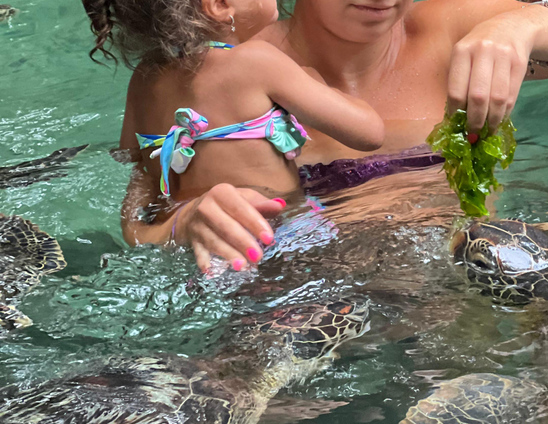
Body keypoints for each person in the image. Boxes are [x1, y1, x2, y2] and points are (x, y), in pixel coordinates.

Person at [115, 0, 548, 271]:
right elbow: (143, 212)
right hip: (317, 322)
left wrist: (520, 27)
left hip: (473, 292)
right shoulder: (230, 79)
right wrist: (183, 221)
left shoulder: (449, 24)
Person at [84, 0, 386, 271]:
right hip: (279, 238)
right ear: (218, 5)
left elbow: (129, 159)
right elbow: (369, 133)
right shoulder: (256, 61)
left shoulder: (144, 76)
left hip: (197, 254)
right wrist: (316, 81)